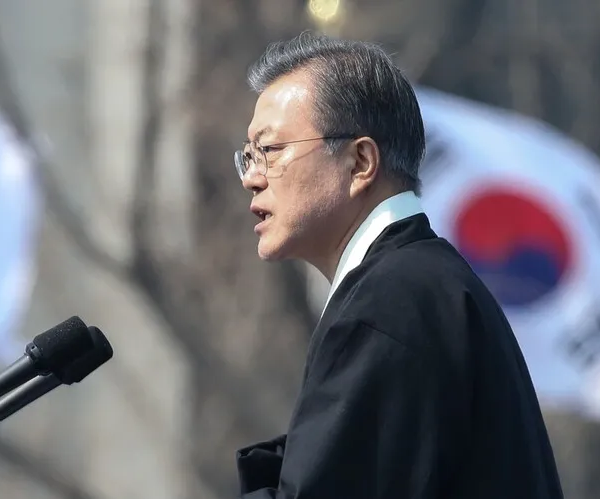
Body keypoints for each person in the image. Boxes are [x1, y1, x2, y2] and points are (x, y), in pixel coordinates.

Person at [234, 32, 564, 499]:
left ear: (361, 162)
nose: (251, 177)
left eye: (270, 150)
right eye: (247, 155)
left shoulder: (388, 304)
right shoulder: (424, 282)